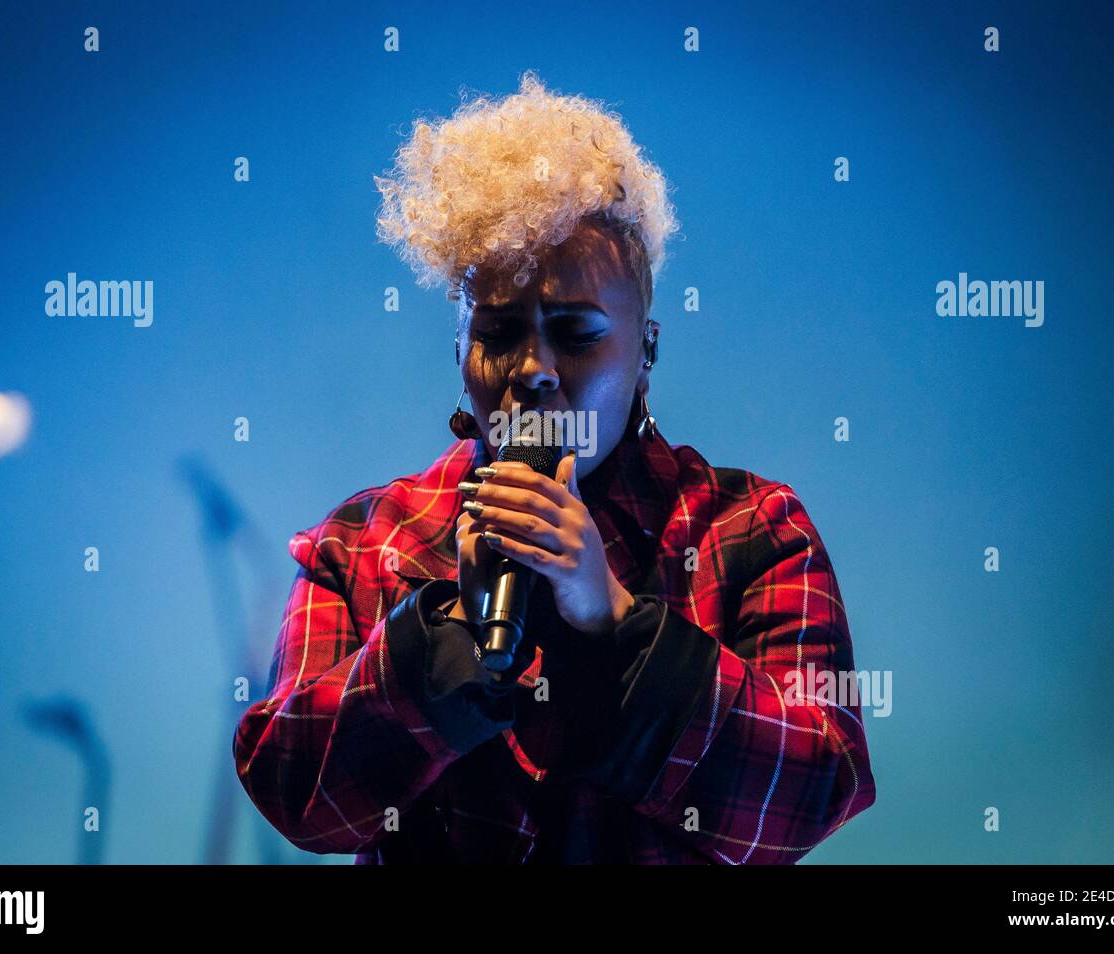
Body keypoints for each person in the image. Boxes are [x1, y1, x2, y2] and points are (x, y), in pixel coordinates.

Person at [233, 71, 876, 863]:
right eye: (499, 332)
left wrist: (617, 623)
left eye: (574, 333)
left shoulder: (752, 532)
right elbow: (295, 792)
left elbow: (818, 784)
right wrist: (444, 641)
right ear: (460, 351)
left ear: (646, 349)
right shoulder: (366, 542)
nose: (532, 370)